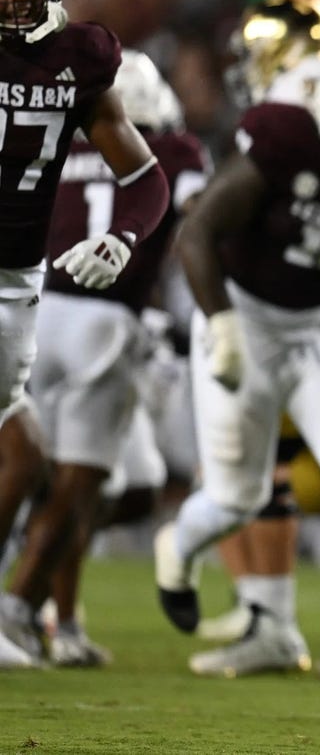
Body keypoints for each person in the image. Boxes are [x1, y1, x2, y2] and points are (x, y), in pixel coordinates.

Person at [156, 44, 320, 692]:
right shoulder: (285, 140)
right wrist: (220, 324)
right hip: (244, 316)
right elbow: (195, 235)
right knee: (236, 496)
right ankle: (179, 545)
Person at [0, 0, 171, 667]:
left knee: (25, 456)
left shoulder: (78, 60)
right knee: (22, 454)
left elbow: (144, 176)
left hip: (18, 281)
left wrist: (122, 236)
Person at [0, 51, 206, 667]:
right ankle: (20, 610)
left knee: (37, 468)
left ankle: (57, 621)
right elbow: (193, 212)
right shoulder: (171, 150)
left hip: (37, 311)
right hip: (107, 323)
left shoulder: (55, 137)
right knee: (77, 485)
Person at [186, 0, 320, 679]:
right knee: (249, 462)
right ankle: (264, 610)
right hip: (311, 290)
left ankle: (286, 619)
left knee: (268, 461)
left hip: (306, 298)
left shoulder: (295, 106)